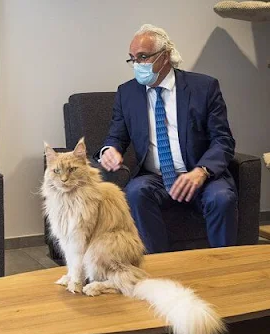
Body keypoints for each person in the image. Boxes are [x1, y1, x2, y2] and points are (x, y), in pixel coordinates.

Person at [98, 24, 237, 254]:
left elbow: (223, 140)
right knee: (135, 191)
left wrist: (201, 171)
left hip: (200, 175)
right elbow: (116, 136)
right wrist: (109, 150)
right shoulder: (127, 93)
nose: (137, 65)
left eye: (143, 57)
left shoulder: (203, 87)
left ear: (164, 57)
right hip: (156, 178)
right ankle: (159, 264)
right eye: (132, 59)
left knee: (222, 198)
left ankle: (224, 264)